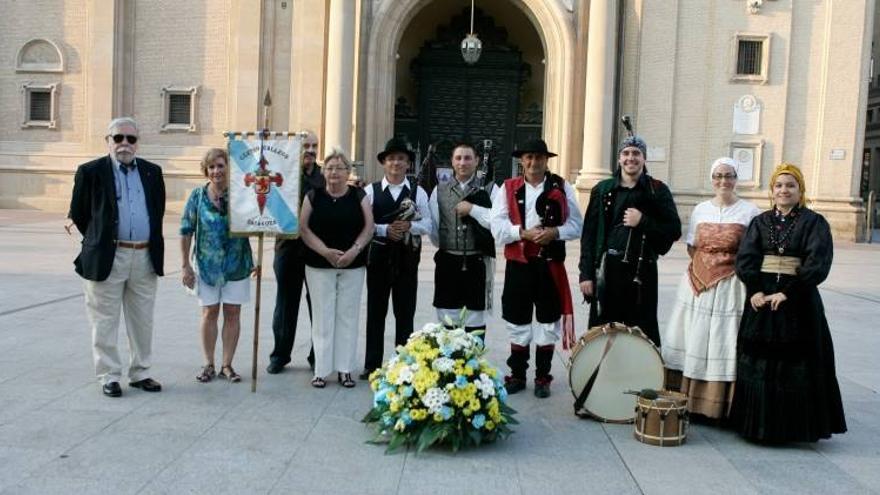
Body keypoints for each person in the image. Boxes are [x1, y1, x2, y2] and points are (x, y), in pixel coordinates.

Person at [730, 163, 846, 443]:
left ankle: (792, 429)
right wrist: (755, 290)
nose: (784, 190)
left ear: (800, 190)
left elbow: (817, 262)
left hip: (798, 300)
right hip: (761, 299)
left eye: (790, 186)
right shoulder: (760, 222)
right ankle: (758, 426)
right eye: (779, 186)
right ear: (772, 191)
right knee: (759, 362)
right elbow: (746, 258)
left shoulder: (814, 222)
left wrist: (789, 292)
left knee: (795, 364)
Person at [68, 117, 165, 397]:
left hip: (144, 255)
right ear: (107, 140)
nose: (124, 144)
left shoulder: (152, 172)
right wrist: (101, 241)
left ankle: (141, 373)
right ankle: (109, 375)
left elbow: (155, 211)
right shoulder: (91, 172)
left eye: (131, 139)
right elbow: (80, 213)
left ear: (137, 143)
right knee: (104, 320)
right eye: (118, 138)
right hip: (108, 256)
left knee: (142, 319)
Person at [660, 157, 760, 419]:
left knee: (721, 340)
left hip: (731, 283)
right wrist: (703, 269)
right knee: (694, 337)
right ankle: (687, 399)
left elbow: (753, 251)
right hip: (697, 282)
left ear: (736, 179)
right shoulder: (701, 209)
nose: (723, 181)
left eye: (728, 175)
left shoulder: (750, 211)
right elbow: (692, 245)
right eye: (718, 176)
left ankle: (718, 403)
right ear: (712, 179)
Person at [490, 138, 583, 398]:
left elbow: (577, 225)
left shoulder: (562, 187)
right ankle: (517, 375)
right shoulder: (507, 188)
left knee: (547, 321)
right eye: (529, 157)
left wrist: (555, 232)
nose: (534, 162)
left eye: (539, 158)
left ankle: (543, 377)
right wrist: (522, 233)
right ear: (521, 160)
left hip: (549, 265)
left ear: (547, 160)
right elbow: (496, 227)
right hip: (519, 264)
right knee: (518, 320)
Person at [578, 135, 681, 347]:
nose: (630, 158)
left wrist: (643, 221)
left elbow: (673, 230)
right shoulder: (603, 190)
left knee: (639, 334)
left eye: (636, 153)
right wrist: (586, 274)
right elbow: (589, 235)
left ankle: (636, 378)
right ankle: (605, 377)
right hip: (608, 270)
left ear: (644, 158)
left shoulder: (657, 190)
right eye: (626, 153)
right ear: (619, 159)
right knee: (604, 332)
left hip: (642, 272)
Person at [300, 148, 374, 388]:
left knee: (347, 317)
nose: (334, 173)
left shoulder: (358, 195)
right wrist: (325, 252)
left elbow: (369, 227)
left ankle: (345, 369)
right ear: (324, 172)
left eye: (339, 168)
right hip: (319, 265)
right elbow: (304, 228)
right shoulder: (313, 196)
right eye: (329, 168)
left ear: (348, 172)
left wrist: (354, 251)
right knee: (322, 317)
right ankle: (321, 370)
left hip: (353, 266)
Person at [180, 148, 254, 383]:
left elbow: (258, 222)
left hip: (237, 264)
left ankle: (227, 365)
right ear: (206, 170)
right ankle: (209, 363)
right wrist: (185, 266)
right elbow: (185, 231)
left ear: (228, 168)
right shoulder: (197, 197)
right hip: (207, 266)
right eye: (211, 167)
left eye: (220, 165)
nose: (216, 171)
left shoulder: (241, 195)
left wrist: (258, 260)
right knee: (209, 312)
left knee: (233, 313)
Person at [361, 138, 432, 379]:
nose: (396, 163)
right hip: (378, 261)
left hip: (407, 262)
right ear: (383, 163)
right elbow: (364, 225)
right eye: (391, 158)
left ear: (408, 164)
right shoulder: (370, 191)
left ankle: (405, 364)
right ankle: (372, 364)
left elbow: (429, 225)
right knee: (375, 313)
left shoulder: (418, 191)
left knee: (405, 314)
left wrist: (410, 225)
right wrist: (385, 229)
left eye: (401, 158)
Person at [267, 131, 324, 374]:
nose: (310, 150)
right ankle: (280, 355)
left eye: (314, 145)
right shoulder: (282, 174)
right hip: (288, 248)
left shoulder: (325, 177)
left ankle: (318, 355)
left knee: (318, 305)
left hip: (316, 250)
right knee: (285, 303)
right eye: (306, 145)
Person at [428, 142, 495, 333]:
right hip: (447, 261)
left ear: (477, 161)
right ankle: (450, 362)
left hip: (477, 261)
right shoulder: (439, 190)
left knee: (475, 316)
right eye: (458, 158)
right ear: (452, 161)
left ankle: (474, 363)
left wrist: (474, 210)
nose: (462, 163)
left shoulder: (490, 189)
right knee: (448, 316)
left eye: (467, 158)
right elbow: (434, 227)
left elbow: (497, 222)